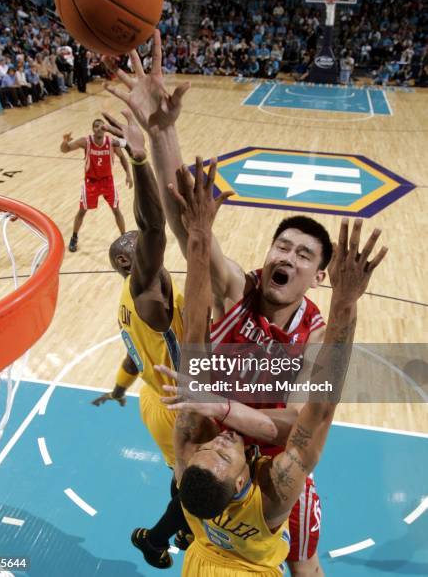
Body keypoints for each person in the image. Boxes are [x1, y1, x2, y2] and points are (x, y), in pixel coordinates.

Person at [104, 30, 331, 574]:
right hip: (209, 440)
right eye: (283, 244)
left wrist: (226, 409)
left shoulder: (316, 336)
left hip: (271, 470)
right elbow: (186, 222)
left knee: (304, 565)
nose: (289, 255)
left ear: (318, 276)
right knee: (195, 506)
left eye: (304, 254)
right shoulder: (239, 289)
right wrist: (162, 132)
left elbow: (296, 428)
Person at [158, 159, 387, 576]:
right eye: (283, 246)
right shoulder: (276, 491)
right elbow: (313, 417)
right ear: (241, 482)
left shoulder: (191, 448)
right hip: (273, 458)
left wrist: (197, 231)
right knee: (303, 565)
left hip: (205, 548)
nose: (221, 444)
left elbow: (194, 323)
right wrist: (346, 301)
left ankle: (168, 531)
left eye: (300, 253)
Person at [90, 109, 191, 568]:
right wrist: (137, 157)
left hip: (153, 396)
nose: (142, 247)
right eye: (133, 251)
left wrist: (116, 390)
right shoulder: (145, 289)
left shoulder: (127, 302)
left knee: (190, 473)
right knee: (194, 480)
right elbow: (153, 227)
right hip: (173, 403)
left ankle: (184, 526)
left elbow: (133, 357)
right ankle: (154, 538)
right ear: (129, 267)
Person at [60, 118, 133, 252]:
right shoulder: (85, 141)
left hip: (107, 181)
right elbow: (65, 150)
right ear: (93, 129)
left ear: (105, 128)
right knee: (82, 211)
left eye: (101, 126)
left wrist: (128, 174)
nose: (99, 128)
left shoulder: (112, 142)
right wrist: (65, 141)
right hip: (91, 182)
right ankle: (74, 237)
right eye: (96, 126)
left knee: (116, 210)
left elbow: (123, 156)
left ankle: (124, 238)